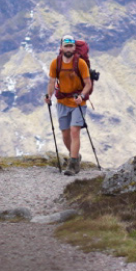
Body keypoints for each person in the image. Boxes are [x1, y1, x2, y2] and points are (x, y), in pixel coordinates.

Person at [46, 35, 94, 174]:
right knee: (65, 134)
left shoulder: (80, 63)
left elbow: (88, 84)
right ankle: (76, 157)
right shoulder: (56, 63)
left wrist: (82, 95)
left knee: (74, 131)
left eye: (71, 46)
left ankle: (73, 165)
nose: (68, 48)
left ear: (74, 47)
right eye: (66, 46)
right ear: (61, 48)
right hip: (62, 102)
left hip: (78, 102)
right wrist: (49, 96)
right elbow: (51, 82)